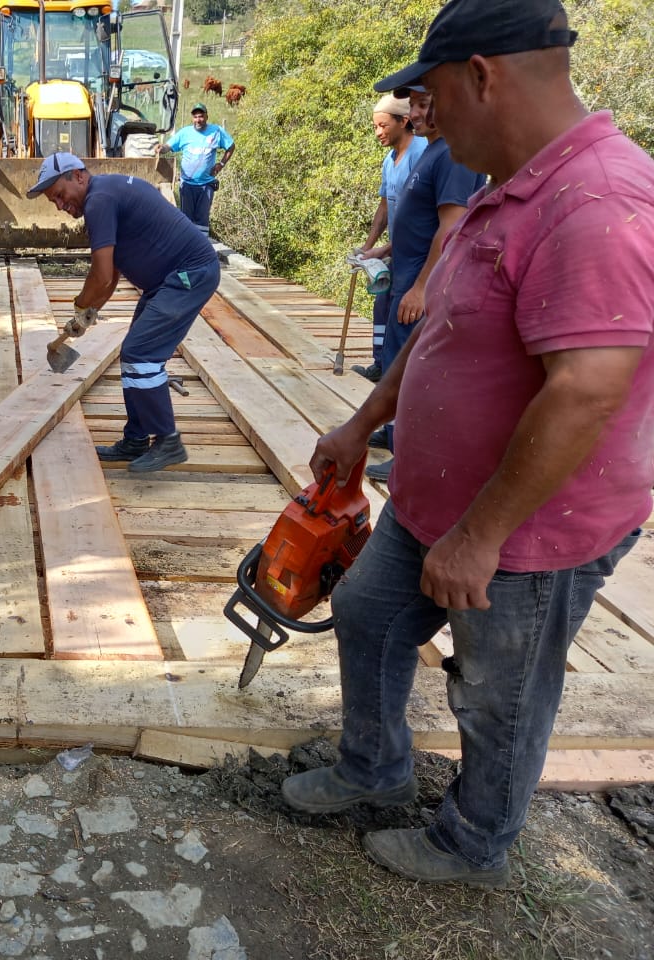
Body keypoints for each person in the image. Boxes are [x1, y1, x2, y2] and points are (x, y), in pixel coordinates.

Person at [281, 0, 654, 889]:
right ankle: (374, 770)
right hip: (433, 502)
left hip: (525, 530)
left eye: (432, 96)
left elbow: (588, 389)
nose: (425, 118)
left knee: (499, 694)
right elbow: (441, 330)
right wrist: (362, 424)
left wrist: (482, 536)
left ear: (482, 75)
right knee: (369, 616)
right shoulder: (507, 187)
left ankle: (474, 843)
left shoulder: (599, 200)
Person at [26, 152, 220, 472]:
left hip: (189, 275)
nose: (60, 205)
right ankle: (136, 440)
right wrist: (88, 314)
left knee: (140, 353)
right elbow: (113, 273)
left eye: (59, 195)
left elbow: (101, 275)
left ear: (79, 176)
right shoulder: (105, 193)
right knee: (134, 354)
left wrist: (80, 305)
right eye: (53, 202)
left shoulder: (98, 201)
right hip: (166, 281)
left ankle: (168, 441)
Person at [360, 83, 484, 481]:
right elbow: (417, 220)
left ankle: (408, 458)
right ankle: (394, 433)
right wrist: (385, 249)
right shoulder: (431, 151)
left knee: (416, 369)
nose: (415, 113)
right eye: (412, 105)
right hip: (405, 272)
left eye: (424, 104)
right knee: (398, 358)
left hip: (421, 283)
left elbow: (450, 227)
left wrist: (420, 287)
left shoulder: (452, 156)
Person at [353, 92, 427, 384]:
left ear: (404, 121)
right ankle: (380, 363)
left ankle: (396, 374)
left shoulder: (419, 153)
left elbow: (422, 217)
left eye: (383, 126)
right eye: (375, 126)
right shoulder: (389, 159)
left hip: (415, 252)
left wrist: (384, 249)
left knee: (402, 311)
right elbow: (385, 206)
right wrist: (368, 247)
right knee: (382, 302)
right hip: (397, 250)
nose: (378, 132)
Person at [162, 103, 235, 238]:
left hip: (206, 185)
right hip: (187, 185)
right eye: (195, 117)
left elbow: (231, 146)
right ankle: (187, 246)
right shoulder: (185, 133)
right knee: (186, 219)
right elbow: (168, 146)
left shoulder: (216, 132)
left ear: (207, 117)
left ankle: (201, 247)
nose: (198, 120)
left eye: (201, 116)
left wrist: (221, 164)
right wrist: (160, 149)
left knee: (202, 219)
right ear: (192, 118)